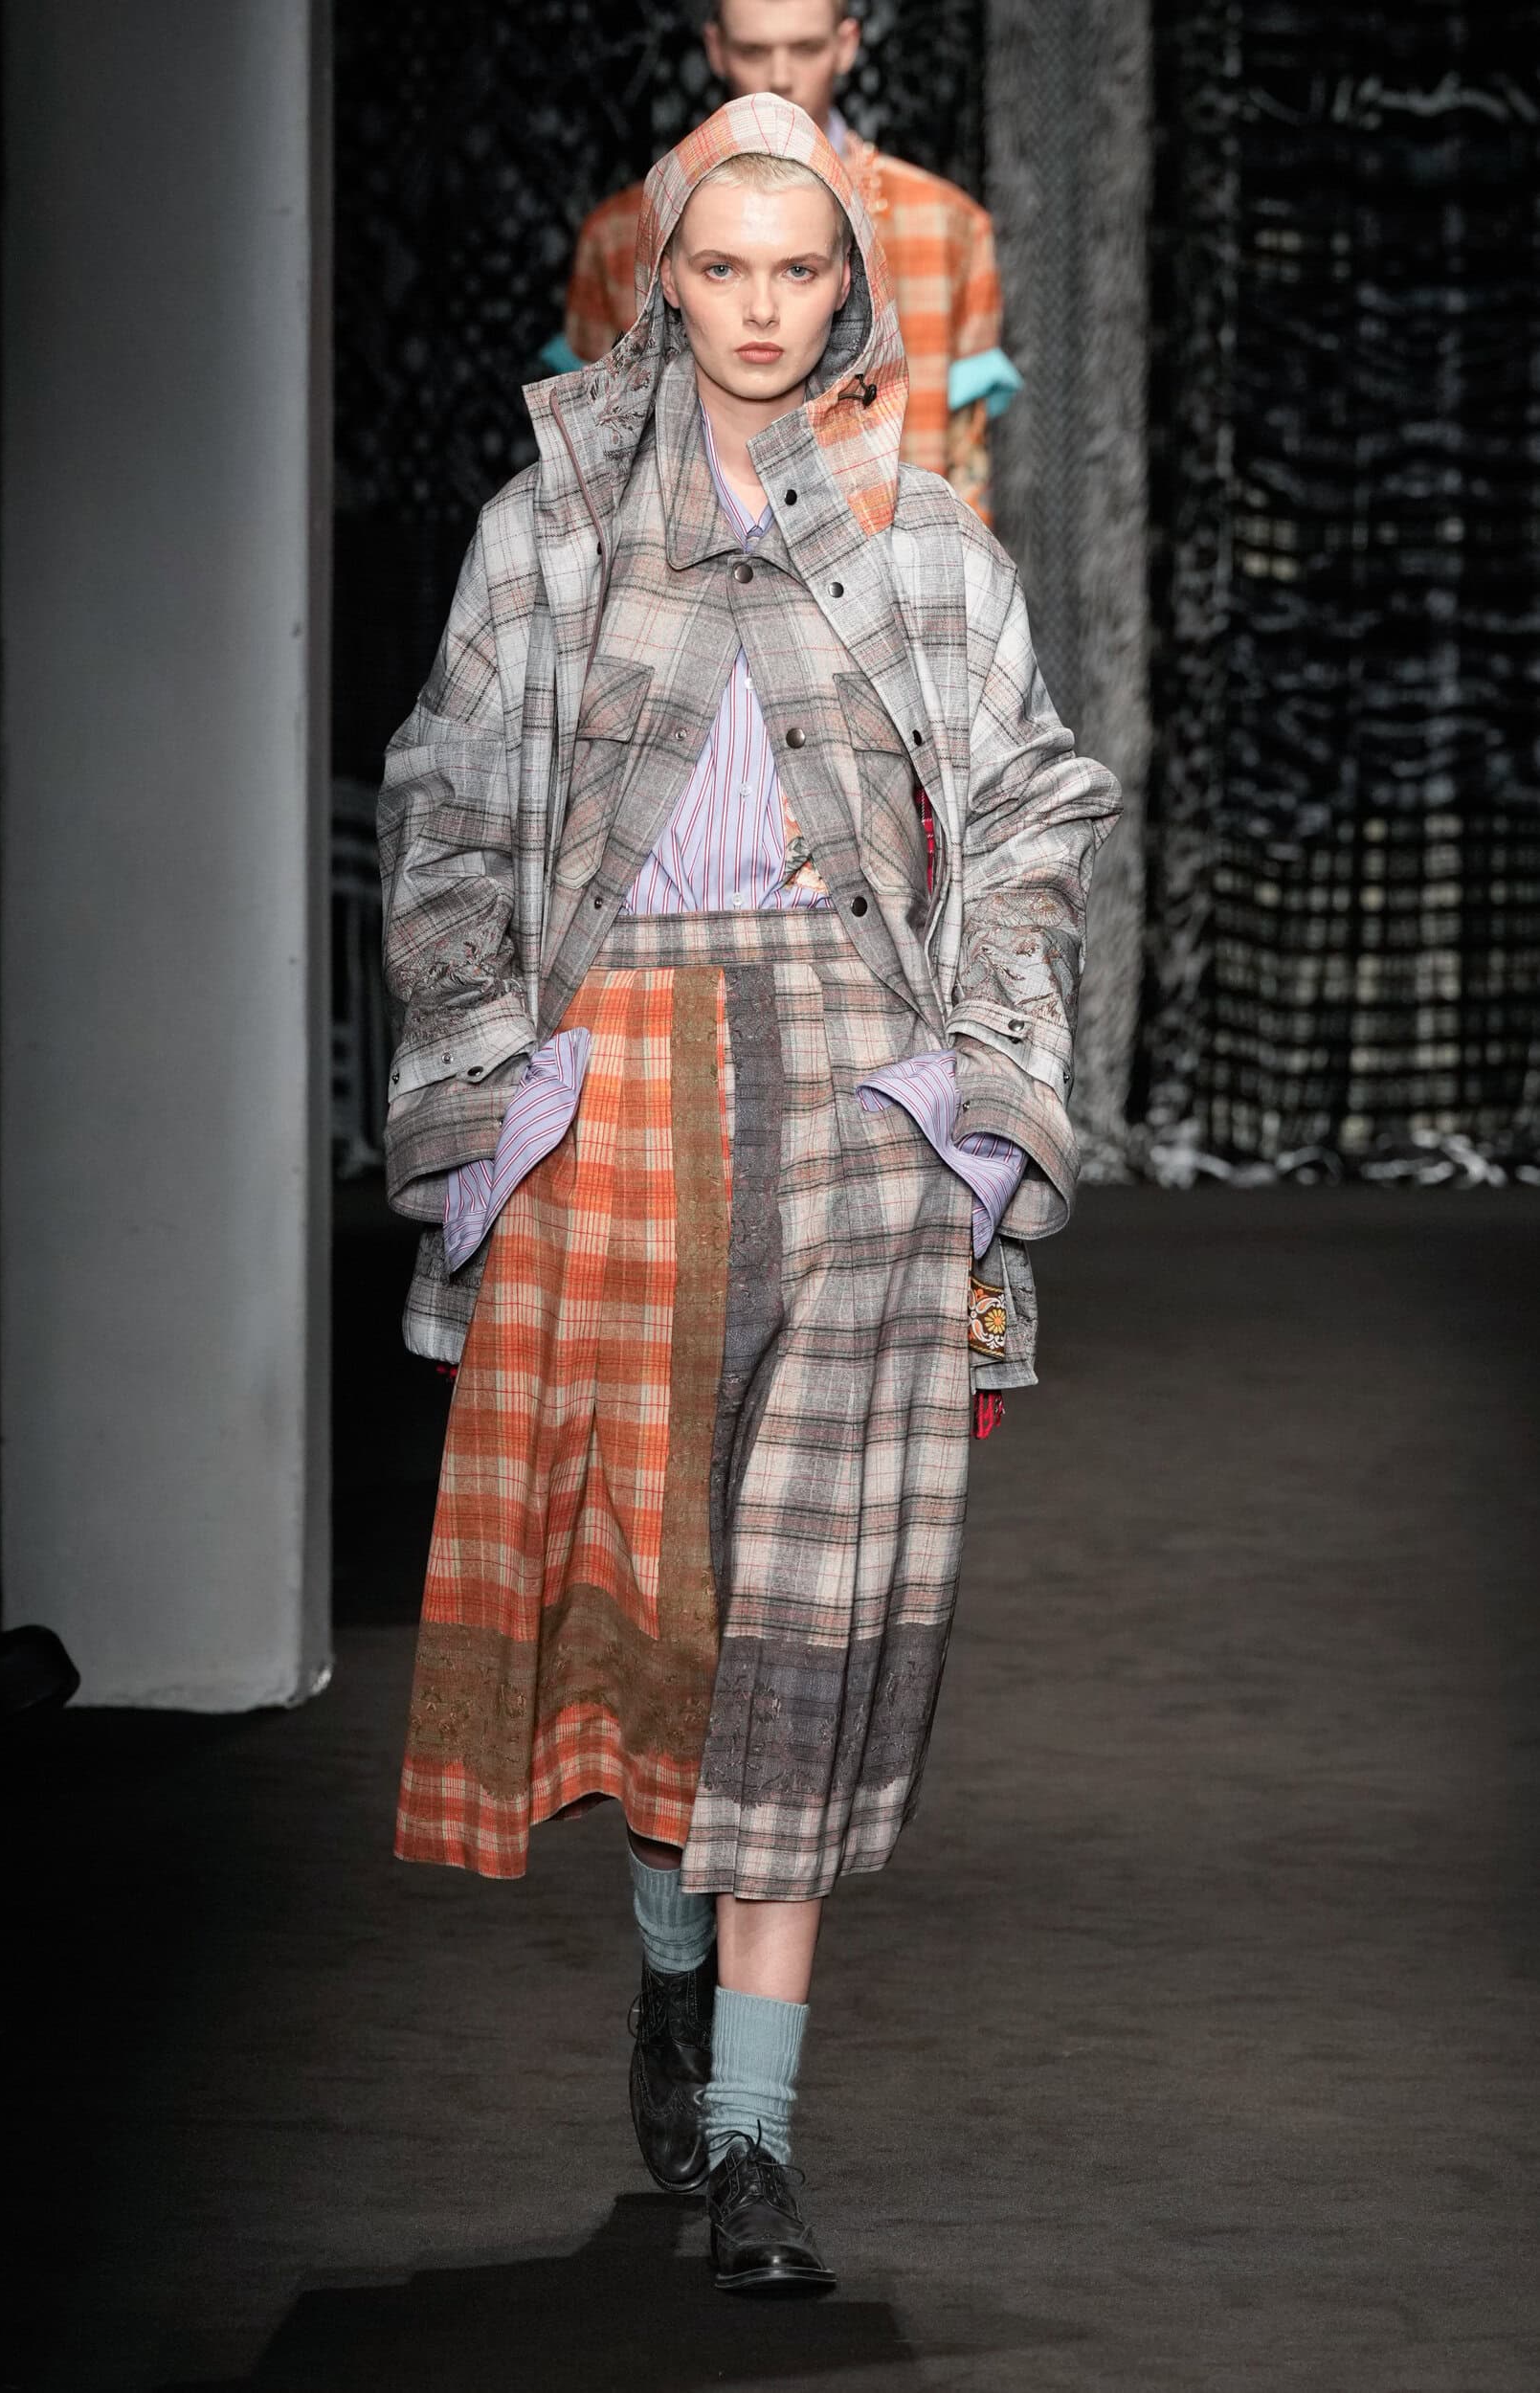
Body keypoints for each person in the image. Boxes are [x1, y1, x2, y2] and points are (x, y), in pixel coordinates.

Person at [379, 95, 1118, 2296]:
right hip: (609, 1091)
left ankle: (755, 2144)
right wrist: (488, 1087)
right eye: (725, 268)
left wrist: (977, 1090)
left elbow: (1036, 802)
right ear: (663, 281)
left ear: (850, 289)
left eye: (802, 271)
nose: (764, 308)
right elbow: (445, 802)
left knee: (804, 1623)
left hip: (852, 1098)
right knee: (660, 1622)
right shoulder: (547, 533)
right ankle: (673, 1966)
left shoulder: (916, 539)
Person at [546, 0, 1020, 526]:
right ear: (716, 49)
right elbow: (588, 457)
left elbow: (967, 461)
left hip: (893, 554)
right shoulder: (621, 234)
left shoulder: (948, 226)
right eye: (753, 51)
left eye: (806, 48)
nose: (779, 77)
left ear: (847, 44)